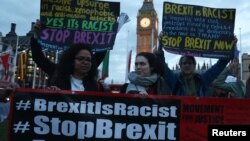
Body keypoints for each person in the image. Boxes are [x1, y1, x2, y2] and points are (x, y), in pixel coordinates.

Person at [30, 21, 105, 91]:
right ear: (72, 60)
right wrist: (36, 35)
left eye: (88, 60)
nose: (85, 62)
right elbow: (38, 57)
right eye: (80, 59)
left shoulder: (96, 85)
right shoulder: (57, 72)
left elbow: (101, 53)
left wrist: (110, 34)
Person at [156, 32, 231, 97]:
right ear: (180, 65)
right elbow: (163, 67)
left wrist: (230, 46)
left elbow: (218, 67)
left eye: (190, 63)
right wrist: (160, 45)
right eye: (184, 63)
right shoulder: (175, 80)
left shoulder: (202, 79)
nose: (187, 65)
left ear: (194, 65)